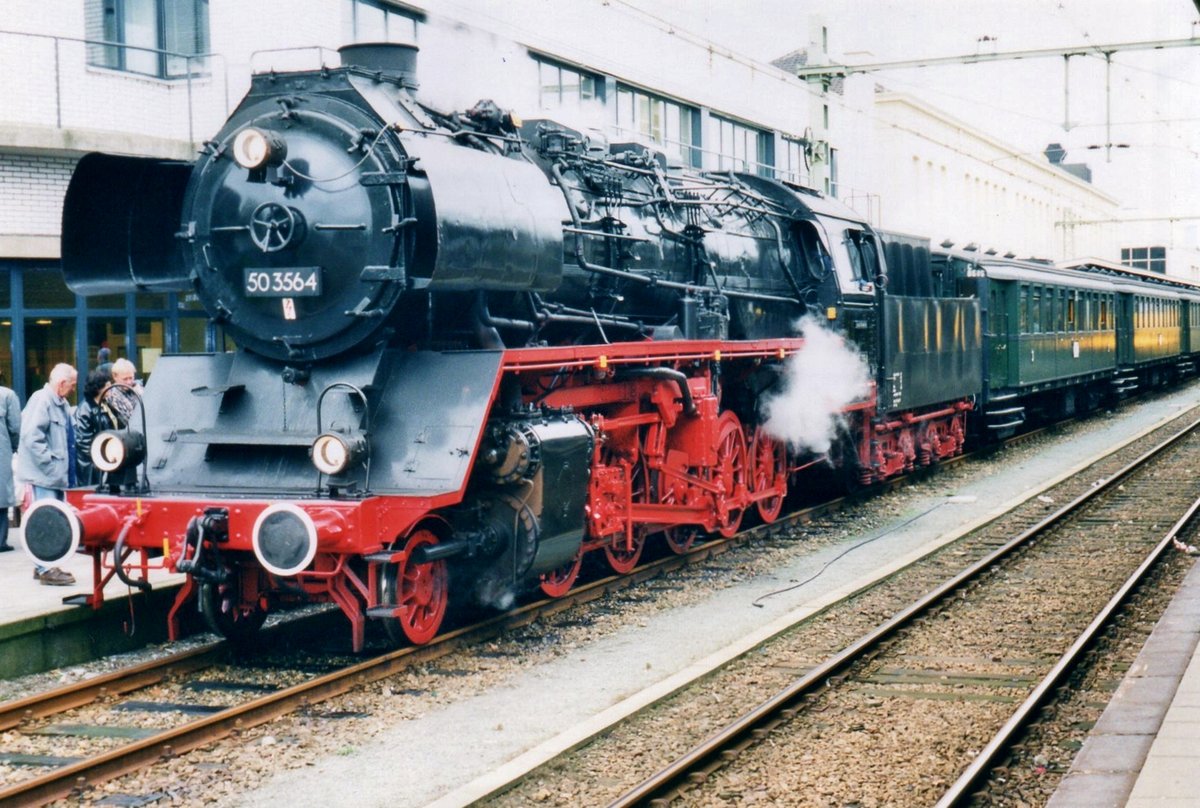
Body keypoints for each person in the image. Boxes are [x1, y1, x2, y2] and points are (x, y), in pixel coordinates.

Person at [17, 363, 78, 586]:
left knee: (50, 520)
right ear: (61, 383)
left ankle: (43, 564)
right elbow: (31, 437)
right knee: (45, 522)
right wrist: (50, 464)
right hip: (45, 476)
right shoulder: (42, 400)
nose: (73, 389)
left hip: (53, 476)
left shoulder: (59, 403)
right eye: (72, 385)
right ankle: (45, 568)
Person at [75, 369, 122, 486]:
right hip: (93, 465)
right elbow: (83, 441)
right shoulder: (85, 409)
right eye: (107, 385)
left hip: (107, 458)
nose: (110, 387)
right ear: (98, 388)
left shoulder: (106, 404)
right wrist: (101, 459)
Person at [0, 371, 19, 553]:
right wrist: (14, 447)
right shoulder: (7, 395)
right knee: (2, 496)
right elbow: (15, 427)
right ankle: (0, 540)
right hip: (2, 452)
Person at [107, 358, 142, 426]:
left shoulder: (137, 388)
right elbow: (130, 420)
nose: (129, 382)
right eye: (125, 379)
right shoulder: (112, 394)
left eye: (131, 378)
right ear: (115, 377)